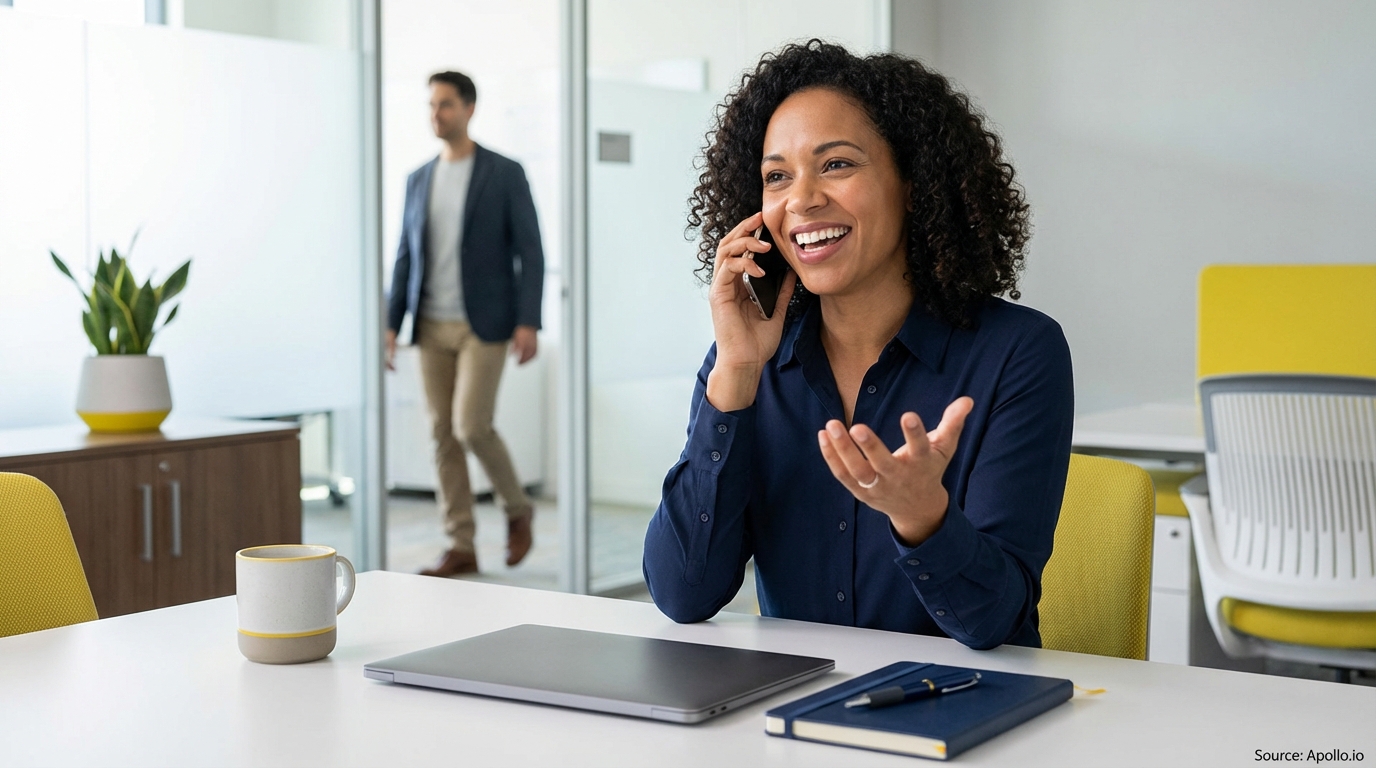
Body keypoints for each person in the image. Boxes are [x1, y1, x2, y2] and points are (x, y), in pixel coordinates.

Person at [642, 41, 1074, 650]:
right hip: (793, 718)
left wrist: (924, 518)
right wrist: (736, 374)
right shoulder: (746, 361)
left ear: (914, 181)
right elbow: (683, 594)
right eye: (776, 176)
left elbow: (991, 622)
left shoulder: (1019, 352)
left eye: (837, 164)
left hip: (963, 710)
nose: (801, 199)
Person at [386, 70, 545, 577]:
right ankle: (461, 544)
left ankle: (517, 509)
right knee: (441, 433)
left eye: (446, 105)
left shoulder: (503, 172)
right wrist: (391, 325)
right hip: (430, 324)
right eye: (432, 105)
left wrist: (528, 320)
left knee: (470, 425)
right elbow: (404, 256)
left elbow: (530, 251)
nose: (437, 114)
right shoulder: (418, 178)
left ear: (469, 108)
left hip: (485, 323)